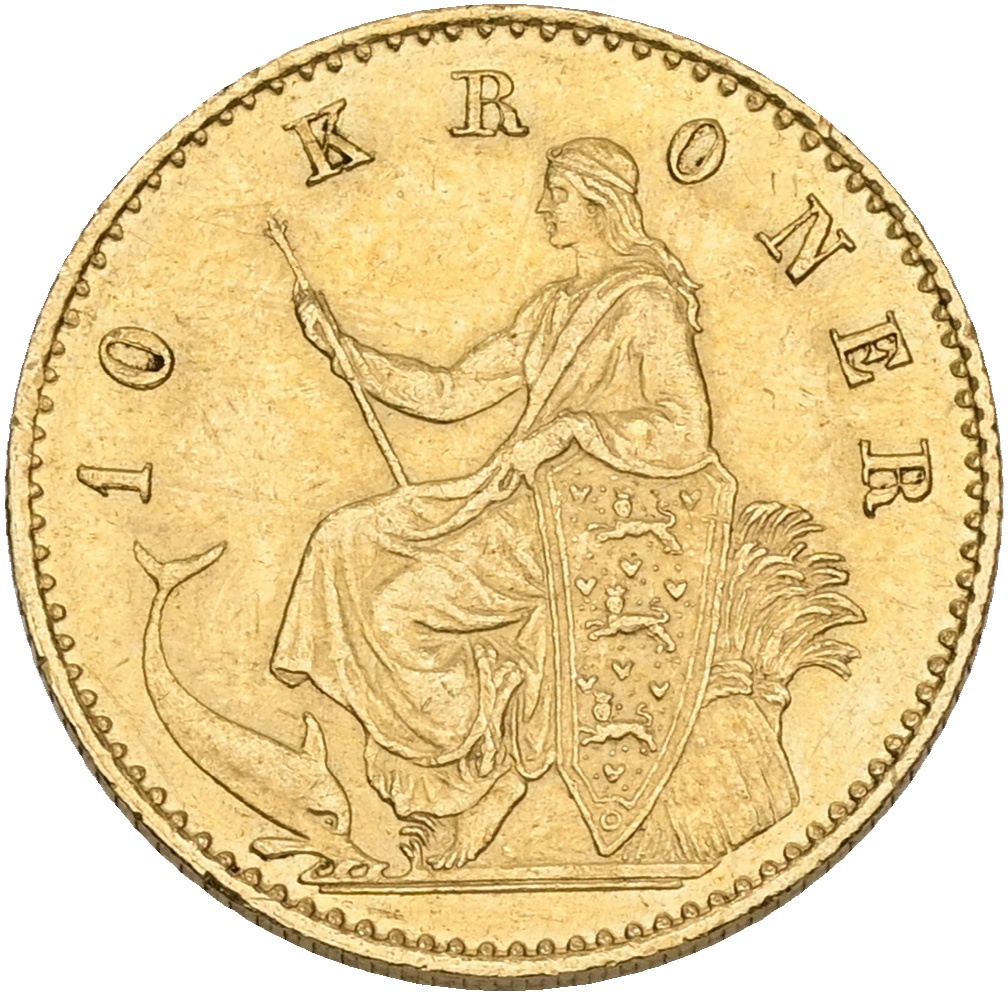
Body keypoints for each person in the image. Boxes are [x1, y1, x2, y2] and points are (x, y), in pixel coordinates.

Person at [270, 138, 730, 870]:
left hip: (576, 526)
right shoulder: (551, 310)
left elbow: (685, 432)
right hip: (509, 501)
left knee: (394, 612)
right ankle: (465, 730)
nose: (544, 207)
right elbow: (452, 391)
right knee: (346, 534)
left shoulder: (645, 304)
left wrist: (573, 430)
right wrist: (347, 353)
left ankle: (489, 729)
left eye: (558, 195)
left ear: (599, 206)